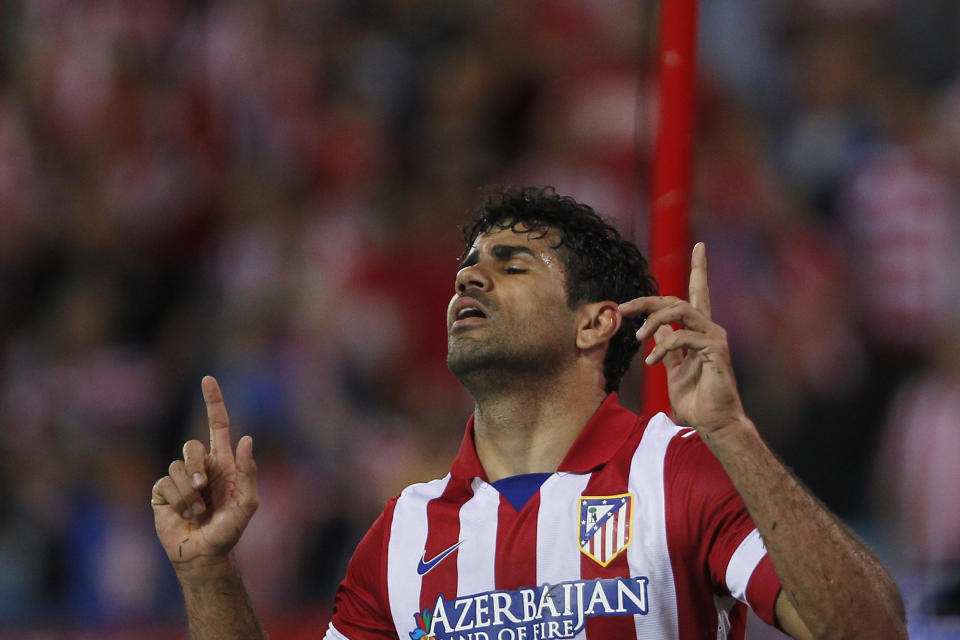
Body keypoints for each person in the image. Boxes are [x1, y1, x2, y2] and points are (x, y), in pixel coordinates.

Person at [151, 187, 907, 639]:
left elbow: (869, 631)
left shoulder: (677, 471)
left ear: (594, 324)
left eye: (512, 265)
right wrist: (211, 570)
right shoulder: (403, 532)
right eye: (466, 269)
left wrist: (733, 433)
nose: (469, 279)